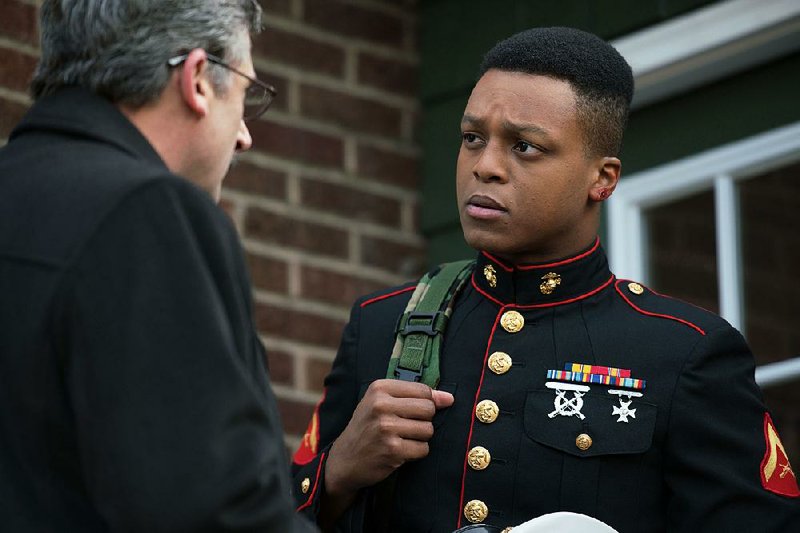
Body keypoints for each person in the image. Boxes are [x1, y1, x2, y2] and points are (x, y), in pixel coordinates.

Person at [290, 27, 800, 532]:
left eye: (525, 147)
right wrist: (336, 474)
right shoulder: (381, 327)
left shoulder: (685, 352)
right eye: (472, 138)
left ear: (602, 178)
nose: (484, 166)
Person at [0, 1, 315, 531]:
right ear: (196, 80)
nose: (244, 136)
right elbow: (212, 513)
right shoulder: (146, 215)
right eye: (244, 94)